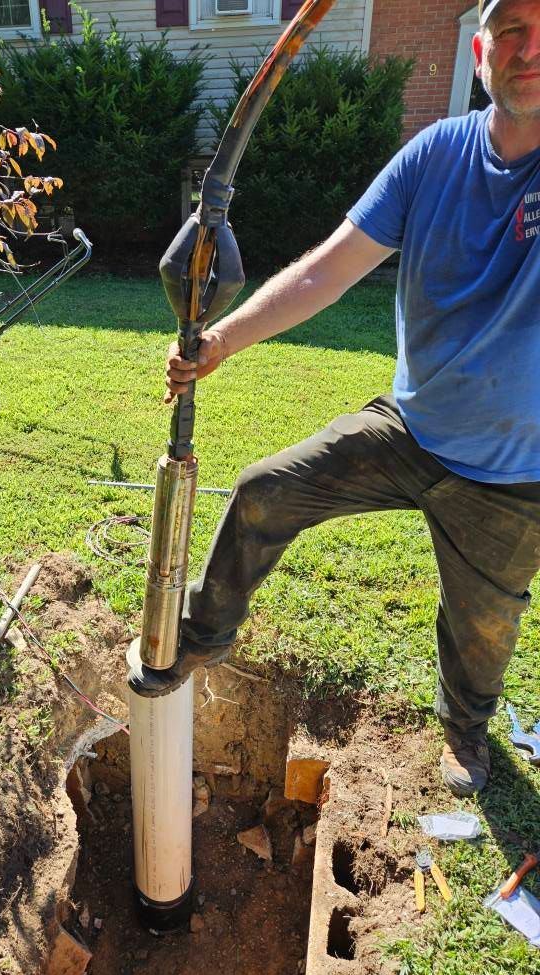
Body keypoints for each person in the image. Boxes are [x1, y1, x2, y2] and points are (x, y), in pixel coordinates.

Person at [160, 0, 540, 797]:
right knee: (267, 492)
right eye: (511, 31)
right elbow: (327, 271)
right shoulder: (434, 156)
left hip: (516, 471)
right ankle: (201, 638)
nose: (528, 48)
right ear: (480, 53)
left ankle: (466, 735)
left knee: (484, 629)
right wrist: (222, 340)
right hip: (410, 426)